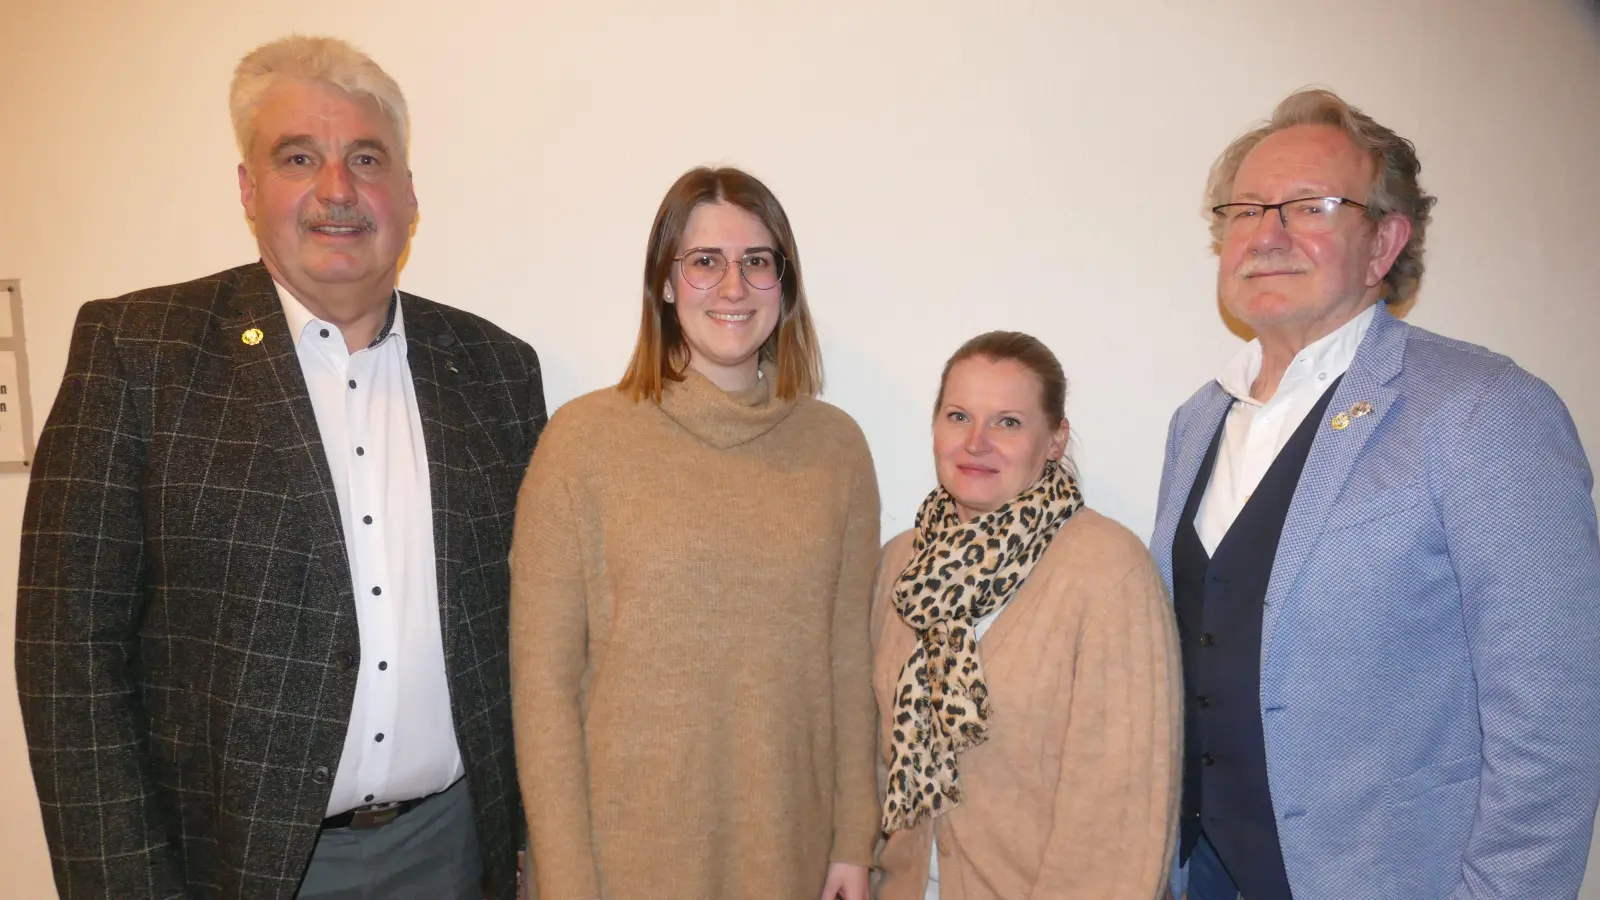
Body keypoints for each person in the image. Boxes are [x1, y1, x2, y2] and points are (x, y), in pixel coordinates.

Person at [15, 35, 545, 900]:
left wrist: (532, 842)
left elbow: (534, 634)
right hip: (228, 863)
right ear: (248, 189)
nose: (337, 190)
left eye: (365, 159)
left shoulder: (493, 369)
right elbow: (66, 656)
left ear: (408, 196)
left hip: (452, 850)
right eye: (299, 157)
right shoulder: (139, 354)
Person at [1150, 87, 1600, 900]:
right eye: (1247, 209)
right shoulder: (1196, 421)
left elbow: (1555, 720)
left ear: (1384, 241)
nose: (1267, 233)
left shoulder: (1483, 409)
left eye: (1310, 206)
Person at [509, 166, 879, 900]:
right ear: (667, 283)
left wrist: (852, 841)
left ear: (786, 284)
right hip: (623, 861)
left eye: (757, 262)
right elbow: (542, 686)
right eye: (705, 262)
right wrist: (564, 877)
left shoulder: (836, 448)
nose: (733, 287)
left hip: (791, 850)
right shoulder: (583, 442)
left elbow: (846, 661)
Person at [872, 331, 1181, 899]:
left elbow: (1123, 809)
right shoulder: (901, 564)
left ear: (1055, 439)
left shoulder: (1107, 569)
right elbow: (875, 759)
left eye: (1008, 422)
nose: (976, 442)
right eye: (958, 415)